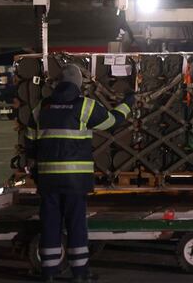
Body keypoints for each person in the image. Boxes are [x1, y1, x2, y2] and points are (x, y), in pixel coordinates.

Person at [25, 64, 134, 282]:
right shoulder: (85, 106)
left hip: (48, 180)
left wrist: (37, 171)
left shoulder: (41, 108)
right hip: (75, 181)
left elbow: (29, 144)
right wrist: (128, 104)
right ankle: (80, 273)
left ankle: (48, 273)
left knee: (50, 225)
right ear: (78, 84)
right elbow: (113, 122)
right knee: (76, 226)